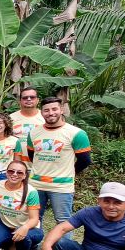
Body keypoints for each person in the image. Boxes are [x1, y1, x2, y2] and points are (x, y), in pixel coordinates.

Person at [27, 97, 91, 232]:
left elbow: (85, 160)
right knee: (34, 218)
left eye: (54, 109)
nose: (50, 113)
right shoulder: (33, 133)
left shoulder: (76, 133)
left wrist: (69, 172)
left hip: (61, 186)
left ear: (62, 110)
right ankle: (34, 248)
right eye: (46, 110)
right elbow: (33, 156)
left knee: (63, 221)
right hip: (36, 184)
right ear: (41, 113)